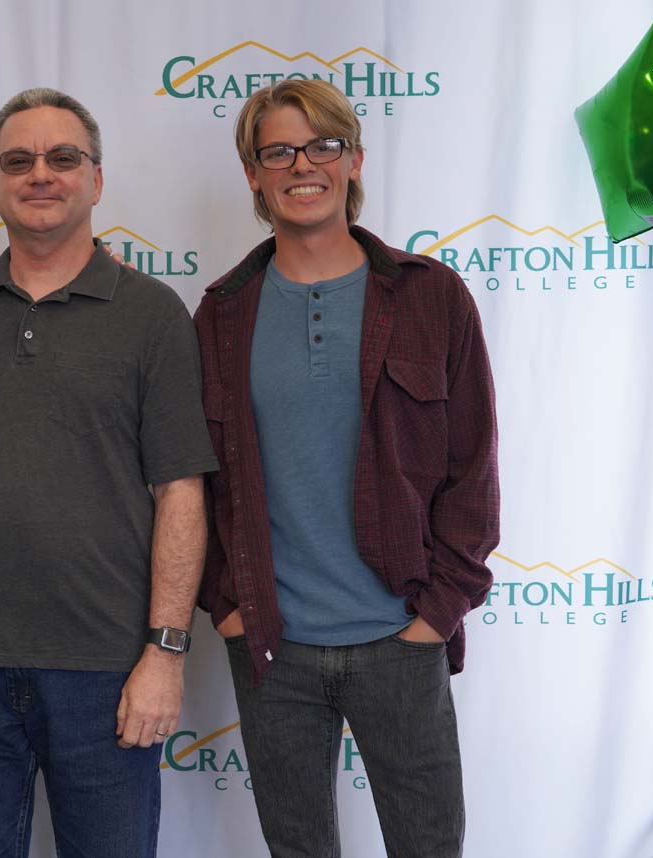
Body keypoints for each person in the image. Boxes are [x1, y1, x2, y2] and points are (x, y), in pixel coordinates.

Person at [194, 79, 499, 858]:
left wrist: (435, 618)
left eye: (323, 145)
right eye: (279, 150)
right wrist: (226, 606)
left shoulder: (432, 298)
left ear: (354, 160)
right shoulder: (223, 313)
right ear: (254, 174)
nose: (303, 164)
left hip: (401, 637)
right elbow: (192, 480)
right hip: (272, 645)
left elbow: (475, 469)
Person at [0, 88, 217, 858]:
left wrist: (164, 651)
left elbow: (181, 491)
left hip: (107, 669)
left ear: (96, 178)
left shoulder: (153, 314)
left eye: (63, 158)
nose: (40, 175)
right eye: (17, 161)